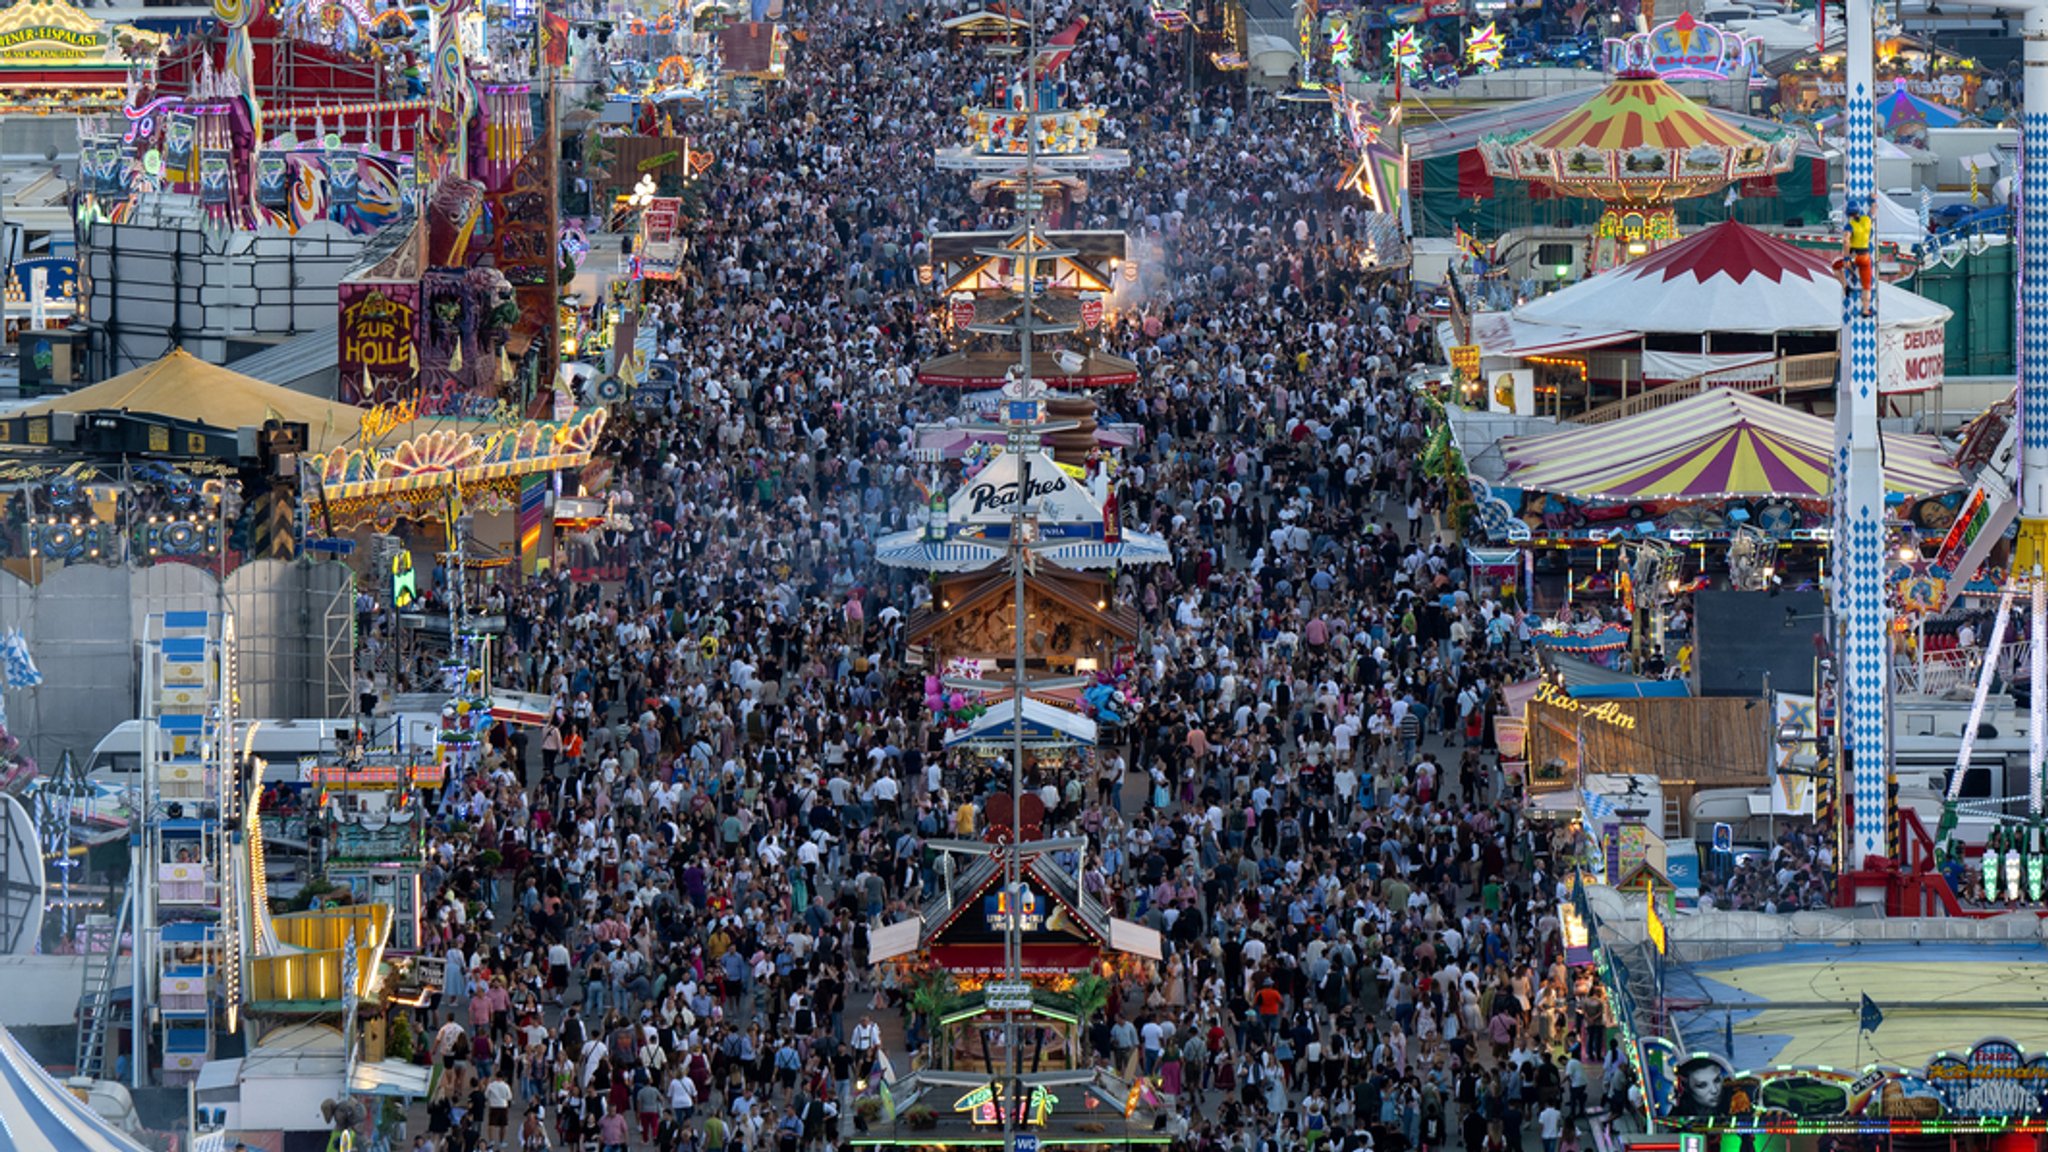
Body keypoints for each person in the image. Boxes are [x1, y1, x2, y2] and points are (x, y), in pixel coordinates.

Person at [1839, 201, 1877, 318]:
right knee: (1867, 285)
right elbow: (1874, 209)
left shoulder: (1849, 225)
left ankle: (1847, 285)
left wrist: (1846, 257)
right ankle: (1865, 310)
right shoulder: (1867, 220)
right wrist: (1873, 199)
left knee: (1836, 267)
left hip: (1853, 256)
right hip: (1865, 255)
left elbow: (1846, 241)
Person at [1668, 1057, 1733, 1117]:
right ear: (1685, 1086)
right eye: (1702, 1085)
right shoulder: (1677, 1116)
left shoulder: (1735, 1098)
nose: (1714, 1090)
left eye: (1717, 1080)